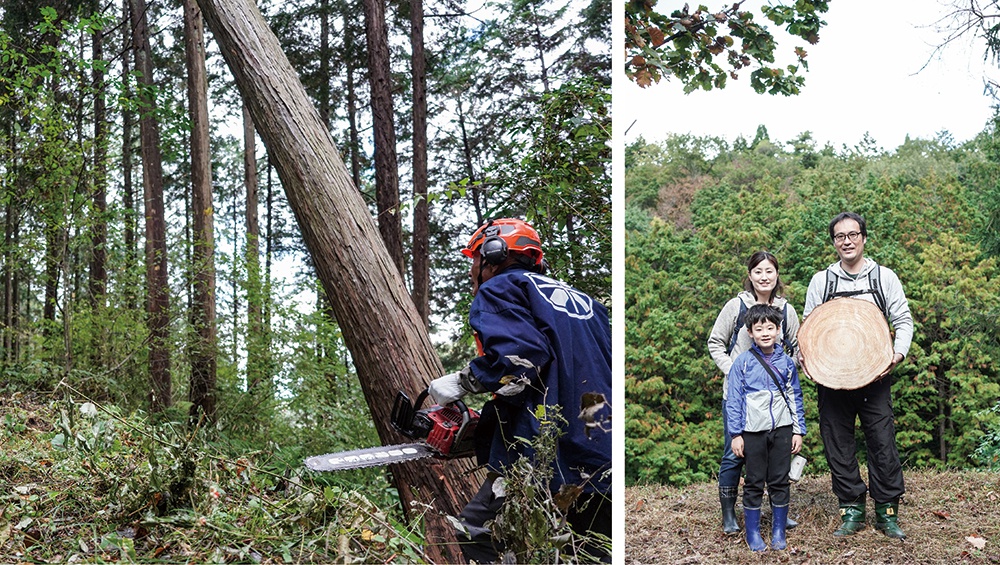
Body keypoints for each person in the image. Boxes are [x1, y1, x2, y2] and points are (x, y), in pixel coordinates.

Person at [427, 218, 613, 563]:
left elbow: (523, 357)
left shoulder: (500, 289)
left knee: (480, 531)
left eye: (475, 260)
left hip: (545, 446)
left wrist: (464, 381)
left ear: (492, 254)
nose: (473, 271)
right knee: (592, 548)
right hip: (601, 440)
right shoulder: (591, 306)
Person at [801, 211, 913, 539]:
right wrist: (807, 360)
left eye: (853, 235)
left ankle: (886, 512)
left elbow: (903, 319)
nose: (847, 241)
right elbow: (808, 326)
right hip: (831, 379)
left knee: (882, 442)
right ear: (833, 242)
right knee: (838, 442)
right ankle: (851, 509)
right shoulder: (823, 280)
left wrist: (897, 353)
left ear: (864, 237)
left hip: (875, 376)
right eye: (840, 237)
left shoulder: (884, 277)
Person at [707, 251, 800, 535]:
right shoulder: (736, 306)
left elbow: (797, 348)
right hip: (740, 398)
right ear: (750, 275)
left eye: (769, 271)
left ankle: (777, 513)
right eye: (758, 271)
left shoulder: (787, 310)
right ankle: (729, 515)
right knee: (736, 452)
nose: (764, 277)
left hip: (776, 401)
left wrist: (786, 370)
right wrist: (734, 371)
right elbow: (715, 343)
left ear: (777, 275)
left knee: (775, 456)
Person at [726, 304, 806, 552]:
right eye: (759, 329)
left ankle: (778, 532)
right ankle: (753, 533)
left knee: (780, 480)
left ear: (779, 330)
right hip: (753, 432)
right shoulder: (742, 363)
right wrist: (736, 434)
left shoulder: (787, 364)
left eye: (770, 328)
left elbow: (795, 396)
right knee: (754, 481)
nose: (765, 333)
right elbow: (735, 400)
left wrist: (798, 430)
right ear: (750, 332)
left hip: (782, 429)